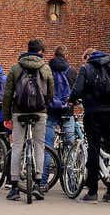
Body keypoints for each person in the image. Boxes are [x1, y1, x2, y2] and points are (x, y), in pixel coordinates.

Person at [69, 47, 110, 203]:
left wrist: (71, 100)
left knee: (93, 148)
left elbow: (77, 89)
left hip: (93, 113)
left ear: (89, 57)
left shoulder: (86, 68)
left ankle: (92, 191)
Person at [2, 39, 54, 202]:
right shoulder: (45, 68)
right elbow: (51, 91)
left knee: (17, 145)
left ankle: (15, 187)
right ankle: (38, 184)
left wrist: (6, 116)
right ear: (40, 52)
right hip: (39, 112)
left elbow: (8, 94)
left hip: (19, 112)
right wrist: (45, 105)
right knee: (39, 145)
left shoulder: (16, 68)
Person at [39, 45, 77, 191]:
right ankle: (72, 184)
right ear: (66, 56)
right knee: (70, 147)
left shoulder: (46, 69)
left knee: (48, 147)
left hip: (51, 112)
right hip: (67, 113)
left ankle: (43, 183)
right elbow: (75, 92)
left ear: (54, 55)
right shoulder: (72, 71)